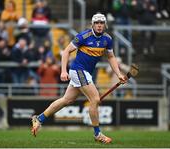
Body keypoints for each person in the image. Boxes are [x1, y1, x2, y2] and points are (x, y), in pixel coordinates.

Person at [31, 13, 127, 144]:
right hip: (78, 70)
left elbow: (111, 57)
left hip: (86, 73)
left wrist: (119, 74)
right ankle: (97, 134)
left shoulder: (107, 39)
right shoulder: (83, 36)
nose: (99, 25)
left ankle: (39, 118)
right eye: (97, 23)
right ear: (92, 24)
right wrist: (63, 71)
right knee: (95, 99)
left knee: (66, 100)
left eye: (101, 23)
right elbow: (66, 52)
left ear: (105, 25)